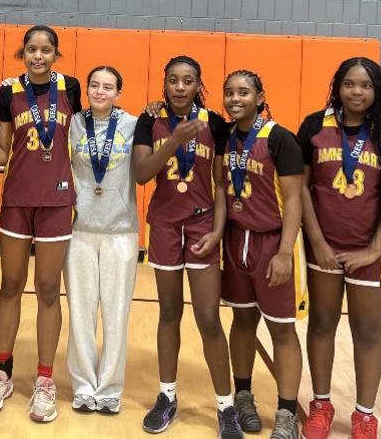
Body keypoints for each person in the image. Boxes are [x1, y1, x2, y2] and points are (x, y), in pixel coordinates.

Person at [299, 57, 381, 439]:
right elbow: (300, 187)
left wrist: (373, 250)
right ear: (337, 86)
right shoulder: (315, 125)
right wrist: (316, 241)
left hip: (373, 251)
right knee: (321, 324)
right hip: (324, 248)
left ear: (377, 90)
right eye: (350, 84)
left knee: (367, 330)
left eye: (365, 85)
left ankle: (365, 415)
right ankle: (320, 405)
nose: (357, 91)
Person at [0, 25, 81, 423]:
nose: (38, 56)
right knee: (10, 285)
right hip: (16, 200)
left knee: (49, 289)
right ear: (23, 52)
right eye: (31, 49)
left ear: (56, 54)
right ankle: (1, 370)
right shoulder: (8, 92)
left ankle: (45, 380)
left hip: (57, 201)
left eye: (46, 50)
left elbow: (86, 136)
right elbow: (2, 151)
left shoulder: (72, 88)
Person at [131, 55, 239, 436]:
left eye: (188, 80)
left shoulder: (216, 125)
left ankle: (226, 407)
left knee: (209, 318)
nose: (180, 86)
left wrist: (217, 231)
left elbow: (223, 185)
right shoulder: (150, 120)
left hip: (202, 224)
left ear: (198, 86)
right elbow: (141, 174)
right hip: (163, 225)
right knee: (168, 313)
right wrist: (173, 140)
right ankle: (167, 396)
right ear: (165, 83)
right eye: (173, 80)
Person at [217, 70, 305, 439]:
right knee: (242, 323)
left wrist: (285, 252)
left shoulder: (281, 139)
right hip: (236, 241)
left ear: (259, 96)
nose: (235, 98)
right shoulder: (224, 136)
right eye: (229, 92)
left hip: (272, 243)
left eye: (243, 92)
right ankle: (243, 396)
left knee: (281, 330)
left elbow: (296, 199)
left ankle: (287, 413)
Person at [63, 66, 139, 415]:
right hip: (79, 230)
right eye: (94, 85)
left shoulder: (135, 124)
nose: (100, 91)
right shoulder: (73, 122)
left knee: (115, 314)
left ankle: (109, 388)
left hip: (120, 231)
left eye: (108, 87)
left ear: (118, 93)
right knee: (80, 312)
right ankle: (83, 385)